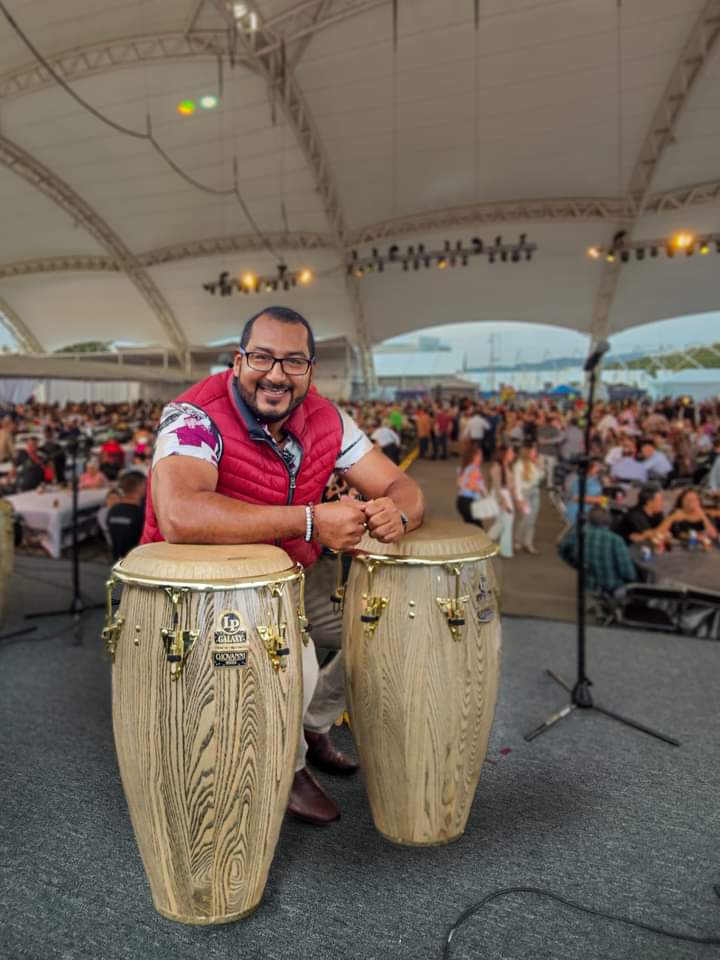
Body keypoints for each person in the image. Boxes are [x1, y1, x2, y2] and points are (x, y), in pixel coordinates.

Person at [141, 306, 424, 827]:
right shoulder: (194, 415)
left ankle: (312, 725)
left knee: (387, 619)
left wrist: (397, 513)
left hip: (291, 575)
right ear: (238, 361)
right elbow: (179, 514)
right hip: (202, 587)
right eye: (262, 358)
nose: (276, 374)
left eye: (293, 362)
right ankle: (288, 766)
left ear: (310, 370)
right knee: (300, 664)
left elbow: (398, 484)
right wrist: (311, 521)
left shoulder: (328, 418)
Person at [558, 507, 637, 596]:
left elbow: (562, 549)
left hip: (588, 584)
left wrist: (576, 564)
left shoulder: (579, 534)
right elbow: (628, 574)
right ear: (609, 521)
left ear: (589, 520)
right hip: (612, 588)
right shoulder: (615, 540)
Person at [106, 471, 147, 561]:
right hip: (137, 563)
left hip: (118, 562)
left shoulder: (112, 511)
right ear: (141, 487)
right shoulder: (142, 514)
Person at [512, 444, 543, 554]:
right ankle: (517, 541)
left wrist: (540, 467)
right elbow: (517, 484)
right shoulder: (519, 466)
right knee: (524, 518)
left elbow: (539, 479)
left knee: (532, 519)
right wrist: (519, 499)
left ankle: (528, 543)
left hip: (535, 493)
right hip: (525, 495)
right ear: (527, 452)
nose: (536, 453)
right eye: (534, 451)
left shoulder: (534, 463)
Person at [486, 445, 515, 557]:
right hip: (501, 497)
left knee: (502, 523)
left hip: (505, 496)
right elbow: (497, 487)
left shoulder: (505, 466)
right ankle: (503, 549)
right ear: (504, 454)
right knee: (505, 522)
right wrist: (503, 502)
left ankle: (489, 542)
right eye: (511, 452)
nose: (513, 455)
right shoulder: (497, 468)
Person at [564, 459, 605, 527]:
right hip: (577, 512)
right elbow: (576, 497)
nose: (599, 469)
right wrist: (601, 500)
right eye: (597, 467)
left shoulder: (595, 479)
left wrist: (604, 502)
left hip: (589, 513)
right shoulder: (580, 479)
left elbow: (598, 495)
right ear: (589, 468)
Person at [456, 448, 488, 527]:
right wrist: (480, 490)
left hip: (462, 501)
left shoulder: (466, 468)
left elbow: (459, 483)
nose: (481, 458)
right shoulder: (474, 469)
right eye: (480, 455)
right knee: (478, 528)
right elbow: (472, 486)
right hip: (468, 502)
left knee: (471, 527)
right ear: (474, 457)